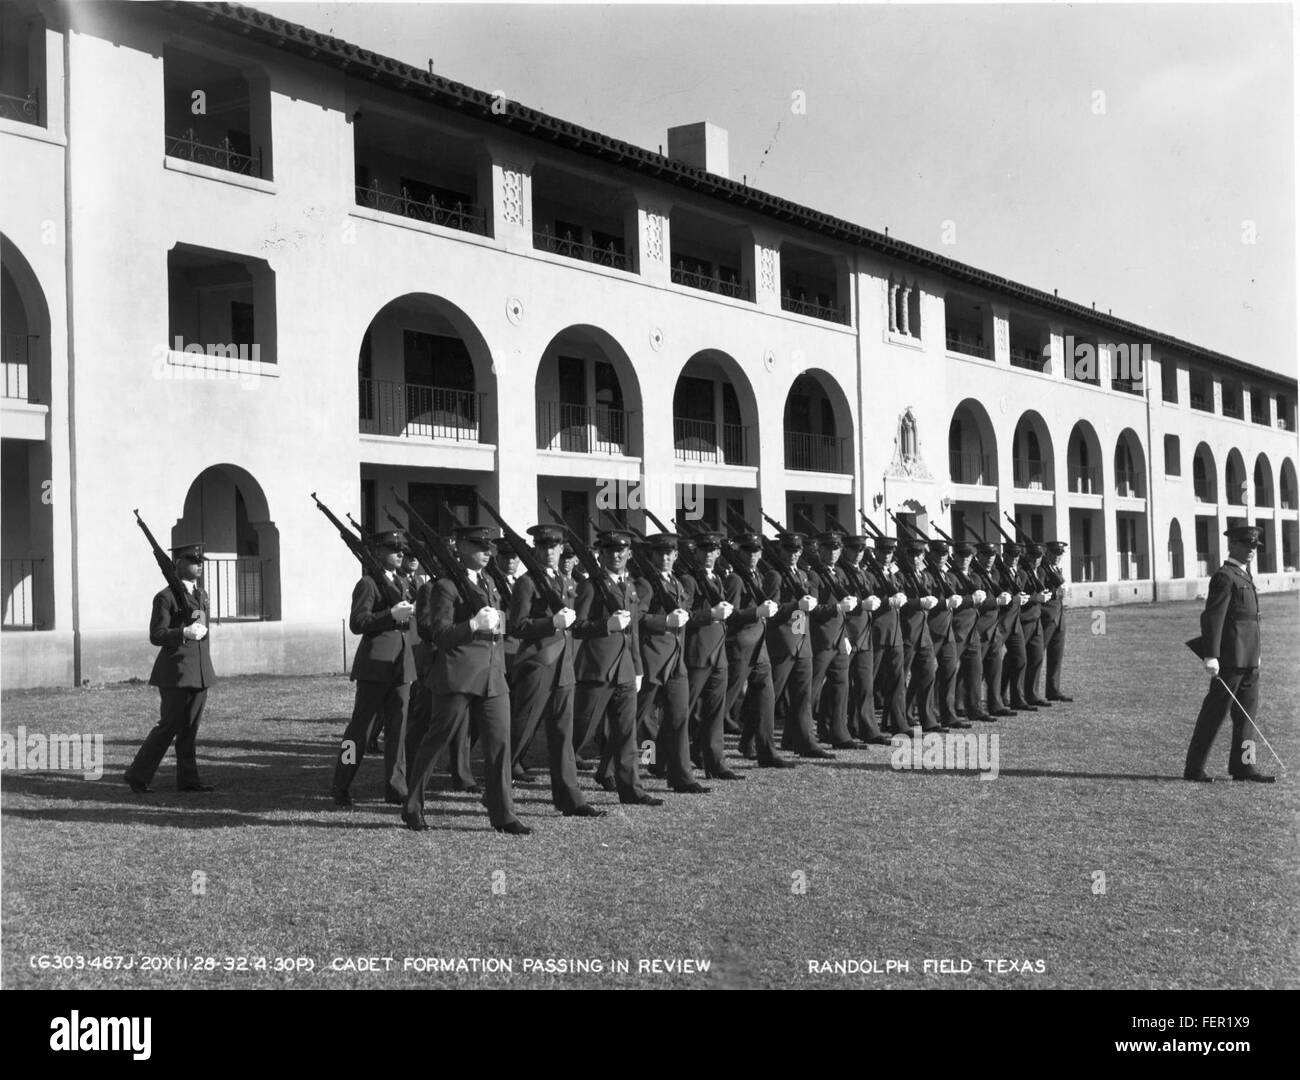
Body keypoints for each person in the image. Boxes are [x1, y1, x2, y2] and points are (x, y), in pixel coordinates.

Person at [402, 525, 531, 833]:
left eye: (489, 547)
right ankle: (412, 806)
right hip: (459, 675)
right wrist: (472, 624)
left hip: (492, 675)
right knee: (436, 741)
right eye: (479, 546)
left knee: (499, 745)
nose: (488, 552)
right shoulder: (446, 586)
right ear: (460, 547)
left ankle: (504, 815)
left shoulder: (487, 581)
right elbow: (439, 634)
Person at [506, 524, 603, 816]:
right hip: (539, 664)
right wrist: (551, 624)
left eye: (554, 546)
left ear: (562, 549)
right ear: (536, 549)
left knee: (562, 735)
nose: (548, 552)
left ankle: (571, 799)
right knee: (519, 733)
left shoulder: (565, 580)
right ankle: (495, 791)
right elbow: (518, 626)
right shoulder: (526, 582)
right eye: (543, 547)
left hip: (564, 667)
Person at [571, 530, 661, 806]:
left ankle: (631, 790)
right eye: (609, 551)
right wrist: (605, 625)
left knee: (626, 734)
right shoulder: (590, 586)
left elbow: (633, 631)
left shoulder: (631, 586)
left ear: (629, 554)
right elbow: (577, 627)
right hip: (597, 671)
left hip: (624, 670)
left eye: (621, 551)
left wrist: (637, 668)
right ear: (601, 555)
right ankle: (562, 780)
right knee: (580, 732)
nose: (616, 555)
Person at [1184, 525, 1274, 783]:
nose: (1251, 551)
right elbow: (1213, 618)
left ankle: (1243, 766)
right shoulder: (1225, 576)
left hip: (1249, 659)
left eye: (1254, 547)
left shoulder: (1244, 575)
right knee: (1214, 714)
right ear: (1232, 545)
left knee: (1247, 716)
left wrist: (1256, 654)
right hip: (1230, 660)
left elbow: (1249, 621)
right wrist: (1210, 655)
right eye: (1246, 545)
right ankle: (1194, 768)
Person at [331, 531, 415, 807]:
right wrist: (389, 615)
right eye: (393, 548)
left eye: (402, 548)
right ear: (377, 551)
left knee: (398, 729)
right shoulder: (368, 583)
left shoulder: (402, 581)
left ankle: (396, 787)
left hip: (401, 665)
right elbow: (358, 622)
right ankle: (340, 783)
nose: (400, 553)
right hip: (375, 666)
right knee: (359, 732)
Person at [124, 542, 216, 794]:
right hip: (175, 672)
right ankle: (137, 775)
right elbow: (157, 634)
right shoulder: (165, 597)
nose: (199, 565)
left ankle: (188, 780)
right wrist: (183, 632)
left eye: (200, 561)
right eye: (192, 561)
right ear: (178, 563)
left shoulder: (201, 595)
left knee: (190, 731)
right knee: (168, 727)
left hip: (199, 671)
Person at [633, 532, 709, 794]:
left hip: (676, 662)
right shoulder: (645, 583)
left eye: (670, 553)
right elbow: (637, 618)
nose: (665, 558)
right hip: (653, 659)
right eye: (660, 554)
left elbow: (685, 616)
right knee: (636, 718)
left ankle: (681, 777)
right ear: (653, 556)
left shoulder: (677, 583)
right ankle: (612, 770)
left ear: (676, 556)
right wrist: (665, 621)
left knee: (679, 718)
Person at [724, 532, 794, 768]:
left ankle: (766, 750)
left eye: (756, 551)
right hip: (740, 646)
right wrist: (756, 613)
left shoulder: (758, 576)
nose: (752, 555)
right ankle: (697, 746)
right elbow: (730, 616)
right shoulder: (735, 579)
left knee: (765, 699)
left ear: (762, 553)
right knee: (723, 703)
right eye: (747, 551)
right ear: (739, 552)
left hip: (759, 646)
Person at [766, 532, 834, 759]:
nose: (793, 554)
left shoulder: (804, 574)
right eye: (788, 550)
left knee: (803, 697)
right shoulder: (775, 576)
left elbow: (811, 608)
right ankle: (754, 740)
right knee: (770, 695)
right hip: (783, 642)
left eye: (797, 551)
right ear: (780, 551)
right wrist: (796, 604)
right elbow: (772, 610)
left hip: (803, 642)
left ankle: (805, 741)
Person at [679, 532, 741, 780]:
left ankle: (715, 762)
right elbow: (684, 616)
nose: (708, 555)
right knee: (682, 712)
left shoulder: (718, 577)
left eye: (712, 550)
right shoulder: (689, 580)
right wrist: (711, 614)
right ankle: (664, 759)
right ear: (695, 553)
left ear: (718, 553)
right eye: (703, 550)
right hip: (697, 653)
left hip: (718, 654)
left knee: (715, 714)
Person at [807, 531, 862, 749]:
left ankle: (837, 731)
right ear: (819, 550)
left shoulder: (839, 572)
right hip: (820, 638)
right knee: (810, 690)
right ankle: (797, 733)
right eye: (828, 548)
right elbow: (811, 608)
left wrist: (846, 635)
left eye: (837, 548)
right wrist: (836, 608)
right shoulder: (814, 575)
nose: (833, 552)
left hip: (839, 638)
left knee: (840, 687)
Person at [1040, 540, 1072, 702]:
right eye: (1055, 553)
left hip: (1059, 615)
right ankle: (1026, 693)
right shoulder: (1042, 569)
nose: (1058, 557)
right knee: (1037, 656)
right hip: (1046, 616)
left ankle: (1053, 689)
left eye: (1060, 554)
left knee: (1056, 655)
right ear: (1048, 553)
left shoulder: (1056, 568)